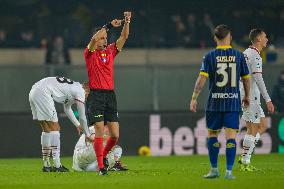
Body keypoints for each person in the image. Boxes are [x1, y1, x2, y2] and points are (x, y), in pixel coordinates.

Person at [189, 24, 251, 179]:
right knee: (231, 137)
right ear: (229, 36)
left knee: (212, 135)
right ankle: (229, 172)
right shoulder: (239, 55)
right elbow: (246, 80)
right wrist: (247, 96)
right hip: (232, 102)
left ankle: (214, 169)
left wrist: (194, 98)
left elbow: (201, 80)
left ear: (215, 38)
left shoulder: (209, 56)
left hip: (214, 102)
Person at [84, 11, 131, 175]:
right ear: (96, 39)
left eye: (105, 38)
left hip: (110, 96)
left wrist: (127, 21)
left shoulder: (111, 51)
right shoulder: (89, 53)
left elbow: (124, 37)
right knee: (98, 129)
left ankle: (103, 156)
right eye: (102, 37)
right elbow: (93, 39)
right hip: (96, 96)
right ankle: (101, 167)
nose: (104, 40)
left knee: (114, 136)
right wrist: (109, 26)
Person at [29, 76, 92, 172]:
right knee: (55, 128)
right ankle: (57, 165)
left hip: (34, 90)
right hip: (43, 92)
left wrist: (77, 125)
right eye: (90, 94)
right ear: (88, 89)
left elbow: (67, 108)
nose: (88, 97)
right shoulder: (80, 92)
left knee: (46, 128)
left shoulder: (73, 87)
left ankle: (46, 165)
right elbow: (82, 116)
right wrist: (88, 134)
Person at [239, 29, 275, 171]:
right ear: (259, 39)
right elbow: (258, 79)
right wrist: (268, 99)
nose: (267, 39)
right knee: (252, 129)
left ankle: (246, 153)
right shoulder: (255, 55)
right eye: (265, 37)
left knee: (263, 125)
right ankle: (245, 161)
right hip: (250, 96)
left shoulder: (246, 53)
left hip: (250, 95)